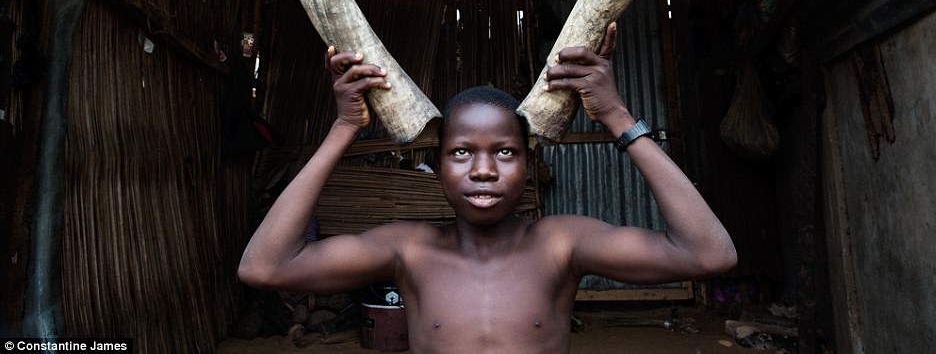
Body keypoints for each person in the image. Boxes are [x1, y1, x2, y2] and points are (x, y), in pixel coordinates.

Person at [238, 22, 736, 353]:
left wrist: (616, 115)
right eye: (461, 152)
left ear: (526, 161)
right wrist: (344, 128)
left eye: (505, 151)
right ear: (437, 164)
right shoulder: (407, 249)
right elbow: (264, 267)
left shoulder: (561, 244)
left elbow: (708, 255)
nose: (483, 170)